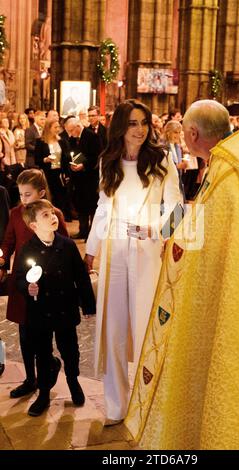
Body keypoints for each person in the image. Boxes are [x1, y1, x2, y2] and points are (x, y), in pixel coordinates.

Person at [125, 100, 239, 450]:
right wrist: (161, 230)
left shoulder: (228, 174)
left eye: (184, 132)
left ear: (193, 133)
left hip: (223, 296)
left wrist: (164, 239)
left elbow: (200, 235)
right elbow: (200, 216)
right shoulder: (236, 159)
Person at [84, 99, 181, 426]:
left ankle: (147, 406)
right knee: (114, 330)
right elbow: (101, 206)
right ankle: (116, 405)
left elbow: (178, 209)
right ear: (120, 128)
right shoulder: (107, 161)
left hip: (146, 253)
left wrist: (157, 230)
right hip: (114, 254)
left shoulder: (161, 160)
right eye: (133, 123)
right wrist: (91, 249)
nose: (139, 130)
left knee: (144, 328)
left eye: (144, 123)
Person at [15, 199, 96, 416]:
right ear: (33, 226)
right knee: (42, 353)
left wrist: (87, 304)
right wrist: (27, 288)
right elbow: (19, 278)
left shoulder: (67, 246)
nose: (52, 217)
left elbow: (81, 277)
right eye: (45, 215)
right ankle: (43, 393)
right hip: (40, 312)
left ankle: (73, 381)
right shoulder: (27, 249)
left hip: (65, 307)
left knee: (70, 350)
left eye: (52, 213)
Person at [0, 169, 68, 399]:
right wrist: (1, 260)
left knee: (43, 334)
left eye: (28, 194)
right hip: (22, 281)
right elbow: (8, 242)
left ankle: (47, 371)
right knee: (25, 334)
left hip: (47, 284)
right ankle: (30, 379)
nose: (24, 200)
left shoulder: (53, 214)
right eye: (20, 194)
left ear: (41, 192)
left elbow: (65, 244)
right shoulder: (16, 214)